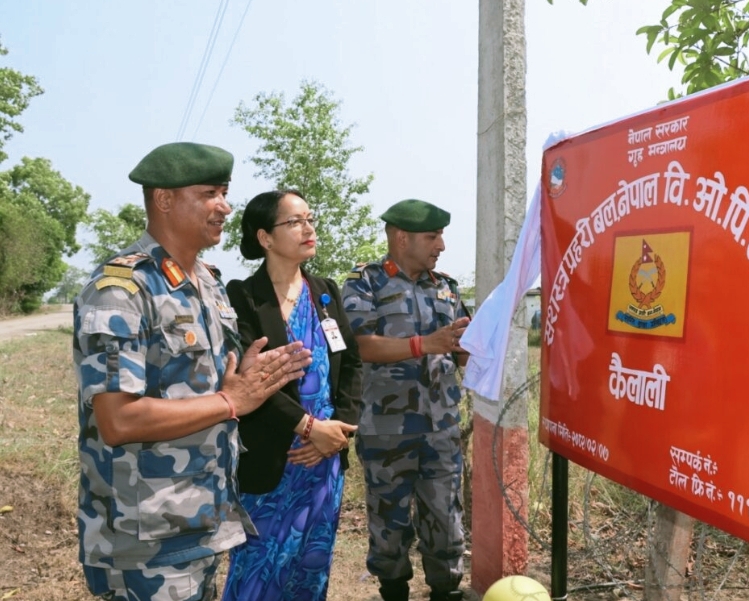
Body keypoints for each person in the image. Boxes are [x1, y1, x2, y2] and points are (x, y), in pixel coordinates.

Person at [73, 142, 311, 601]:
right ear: (164, 199)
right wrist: (231, 401)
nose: (225, 206)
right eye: (211, 194)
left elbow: (211, 383)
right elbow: (118, 421)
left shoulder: (209, 282)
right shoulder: (121, 290)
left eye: (225, 192)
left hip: (203, 520)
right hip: (146, 535)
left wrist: (246, 380)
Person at [221, 189, 361, 600]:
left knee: (310, 571)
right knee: (258, 573)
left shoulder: (325, 293)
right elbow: (250, 379)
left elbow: (351, 365)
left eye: (310, 218)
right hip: (272, 459)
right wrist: (308, 426)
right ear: (265, 238)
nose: (308, 228)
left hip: (323, 459)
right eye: (295, 221)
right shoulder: (243, 297)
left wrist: (337, 433)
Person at [341, 199, 472, 601]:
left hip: (441, 429)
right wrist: (425, 343)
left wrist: (470, 345)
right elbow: (361, 346)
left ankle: (445, 589)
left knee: (447, 517)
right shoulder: (365, 282)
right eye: (433, 236)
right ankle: (393, 588)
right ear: (402, 238)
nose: (442, 245)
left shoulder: (446, 286)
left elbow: (460, 350)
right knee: (389, 522)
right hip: (387, 430)